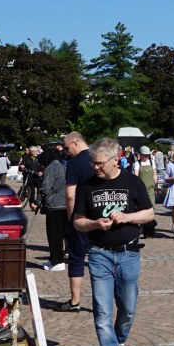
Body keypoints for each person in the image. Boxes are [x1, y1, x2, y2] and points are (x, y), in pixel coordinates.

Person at [71, 140, 155, 346]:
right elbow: (78, 221)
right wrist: (95, 223)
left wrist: (127, 217)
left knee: (127, 308)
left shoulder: (132, 182)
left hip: (128, 253)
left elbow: (149, 214)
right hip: (99, 254)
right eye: (93, 163)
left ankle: (119, 341)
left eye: (99, 163)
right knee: (102, 310)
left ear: (115, 160)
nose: (95, 167)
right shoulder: (88, 185)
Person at [61, 131, 95, 305]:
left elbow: (70, 195)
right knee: (101, 258)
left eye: (66, 148)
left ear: (75, 143)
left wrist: (72, 218)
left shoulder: (74, 163)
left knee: (76, 258)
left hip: (81, 216)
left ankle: (75, 301)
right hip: (101, 215)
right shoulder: (100, 159)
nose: (66, 152)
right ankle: (102, 300)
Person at [39, 144, 68, 271]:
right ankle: (54, 259)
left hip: (55, 205)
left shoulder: (50, 168)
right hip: (64, 204)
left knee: (54, 235)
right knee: (60, 234)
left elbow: (46, 187)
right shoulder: (62, 166)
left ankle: (57, 260)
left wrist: (40, 195)